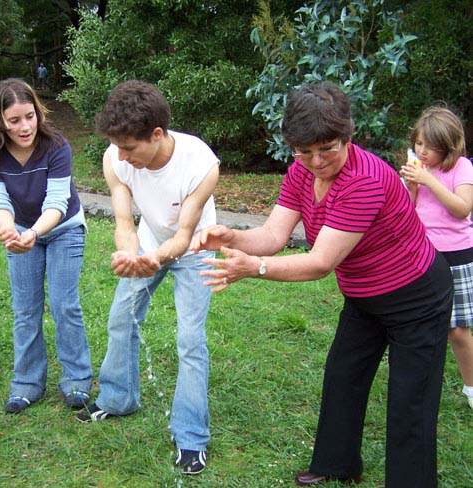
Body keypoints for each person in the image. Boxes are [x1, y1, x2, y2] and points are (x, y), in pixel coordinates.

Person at [191, 82, 453, 487]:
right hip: (365, 295)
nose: (315, 161)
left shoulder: (365, 180)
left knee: (410, 402)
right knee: (343, 376)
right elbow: (275, 235)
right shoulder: (301, 170)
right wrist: (232, 238)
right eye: (304, 150)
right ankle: (337, 465)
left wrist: (254, 268)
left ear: (347, 136)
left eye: (327, 149)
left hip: (416, 297)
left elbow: (320, 263)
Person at [75, 80, 220, 476]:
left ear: (157, 135)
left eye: (129, 148)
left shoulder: (202, 164)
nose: (121, 156)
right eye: (117, 147)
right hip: (148, 242)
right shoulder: (115, 158)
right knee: (121, 319)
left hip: (194, 249)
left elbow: (185, 236)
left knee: (190, 339)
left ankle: (191, 437)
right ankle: (118, 399)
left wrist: (154, 258)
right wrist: (129, 253)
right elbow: (124, 221)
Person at [0, 78, 92, 414]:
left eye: (30, 116)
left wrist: (33, 234)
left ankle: (77, 381)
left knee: (63, 304)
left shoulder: (56, 146)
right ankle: (26, 383)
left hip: (63, 228)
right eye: (14, 120)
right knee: (25, 309)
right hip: (22, 232)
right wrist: (8, 229)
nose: (25, 126)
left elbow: (57, 201)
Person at [400, 106, 473, 410]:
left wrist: (429, 180)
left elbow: (462, 208)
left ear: (450, 146)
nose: (423, 151)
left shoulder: (462, 168)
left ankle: (471, 387)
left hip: (456, 254)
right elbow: (406, 210)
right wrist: (411, 186)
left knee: (456, 329)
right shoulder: (417, 168)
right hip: (421, 253)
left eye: (431, 146)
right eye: (419, 144)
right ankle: (419, 385)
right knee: (421, 325)